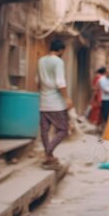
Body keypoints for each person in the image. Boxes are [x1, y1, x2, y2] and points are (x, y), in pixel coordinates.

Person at [38, 39, 73, 167]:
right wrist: (67, 99)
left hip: (43, 101)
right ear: (61, 50)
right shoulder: (58, 61)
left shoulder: (41, 60)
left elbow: (40, 81)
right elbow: (60, 83)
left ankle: (49, 156)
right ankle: (48, 152)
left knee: (45, 130)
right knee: (63, 129)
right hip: (55, 102)